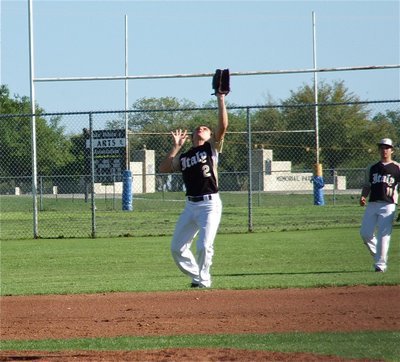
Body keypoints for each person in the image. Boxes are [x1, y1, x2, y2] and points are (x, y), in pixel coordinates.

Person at [159, 93, 228, 288]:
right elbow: (163, 169)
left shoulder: (211, 148)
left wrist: (220, 99)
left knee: (204, 245)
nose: (201, 129)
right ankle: (198, 276)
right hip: (190, 206)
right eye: (198, 128)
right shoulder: (184, 156)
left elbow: (223, 127)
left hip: (209, 204)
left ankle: (203, 281)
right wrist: (176, 147)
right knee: (177, 248)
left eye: (205, 128)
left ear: (210, 136)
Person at [359, 138, 400, 272]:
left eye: (387, 147)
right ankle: (379, 256)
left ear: (392, 150)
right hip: (372, 203)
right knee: (365, 233)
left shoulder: (397, 167)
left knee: (384, 235)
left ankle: (380, 265)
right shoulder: (371, 167)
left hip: (389, 204)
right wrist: (363, 196)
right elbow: (367, 185)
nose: (384, 150)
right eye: (382, 147)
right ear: (379, 150)